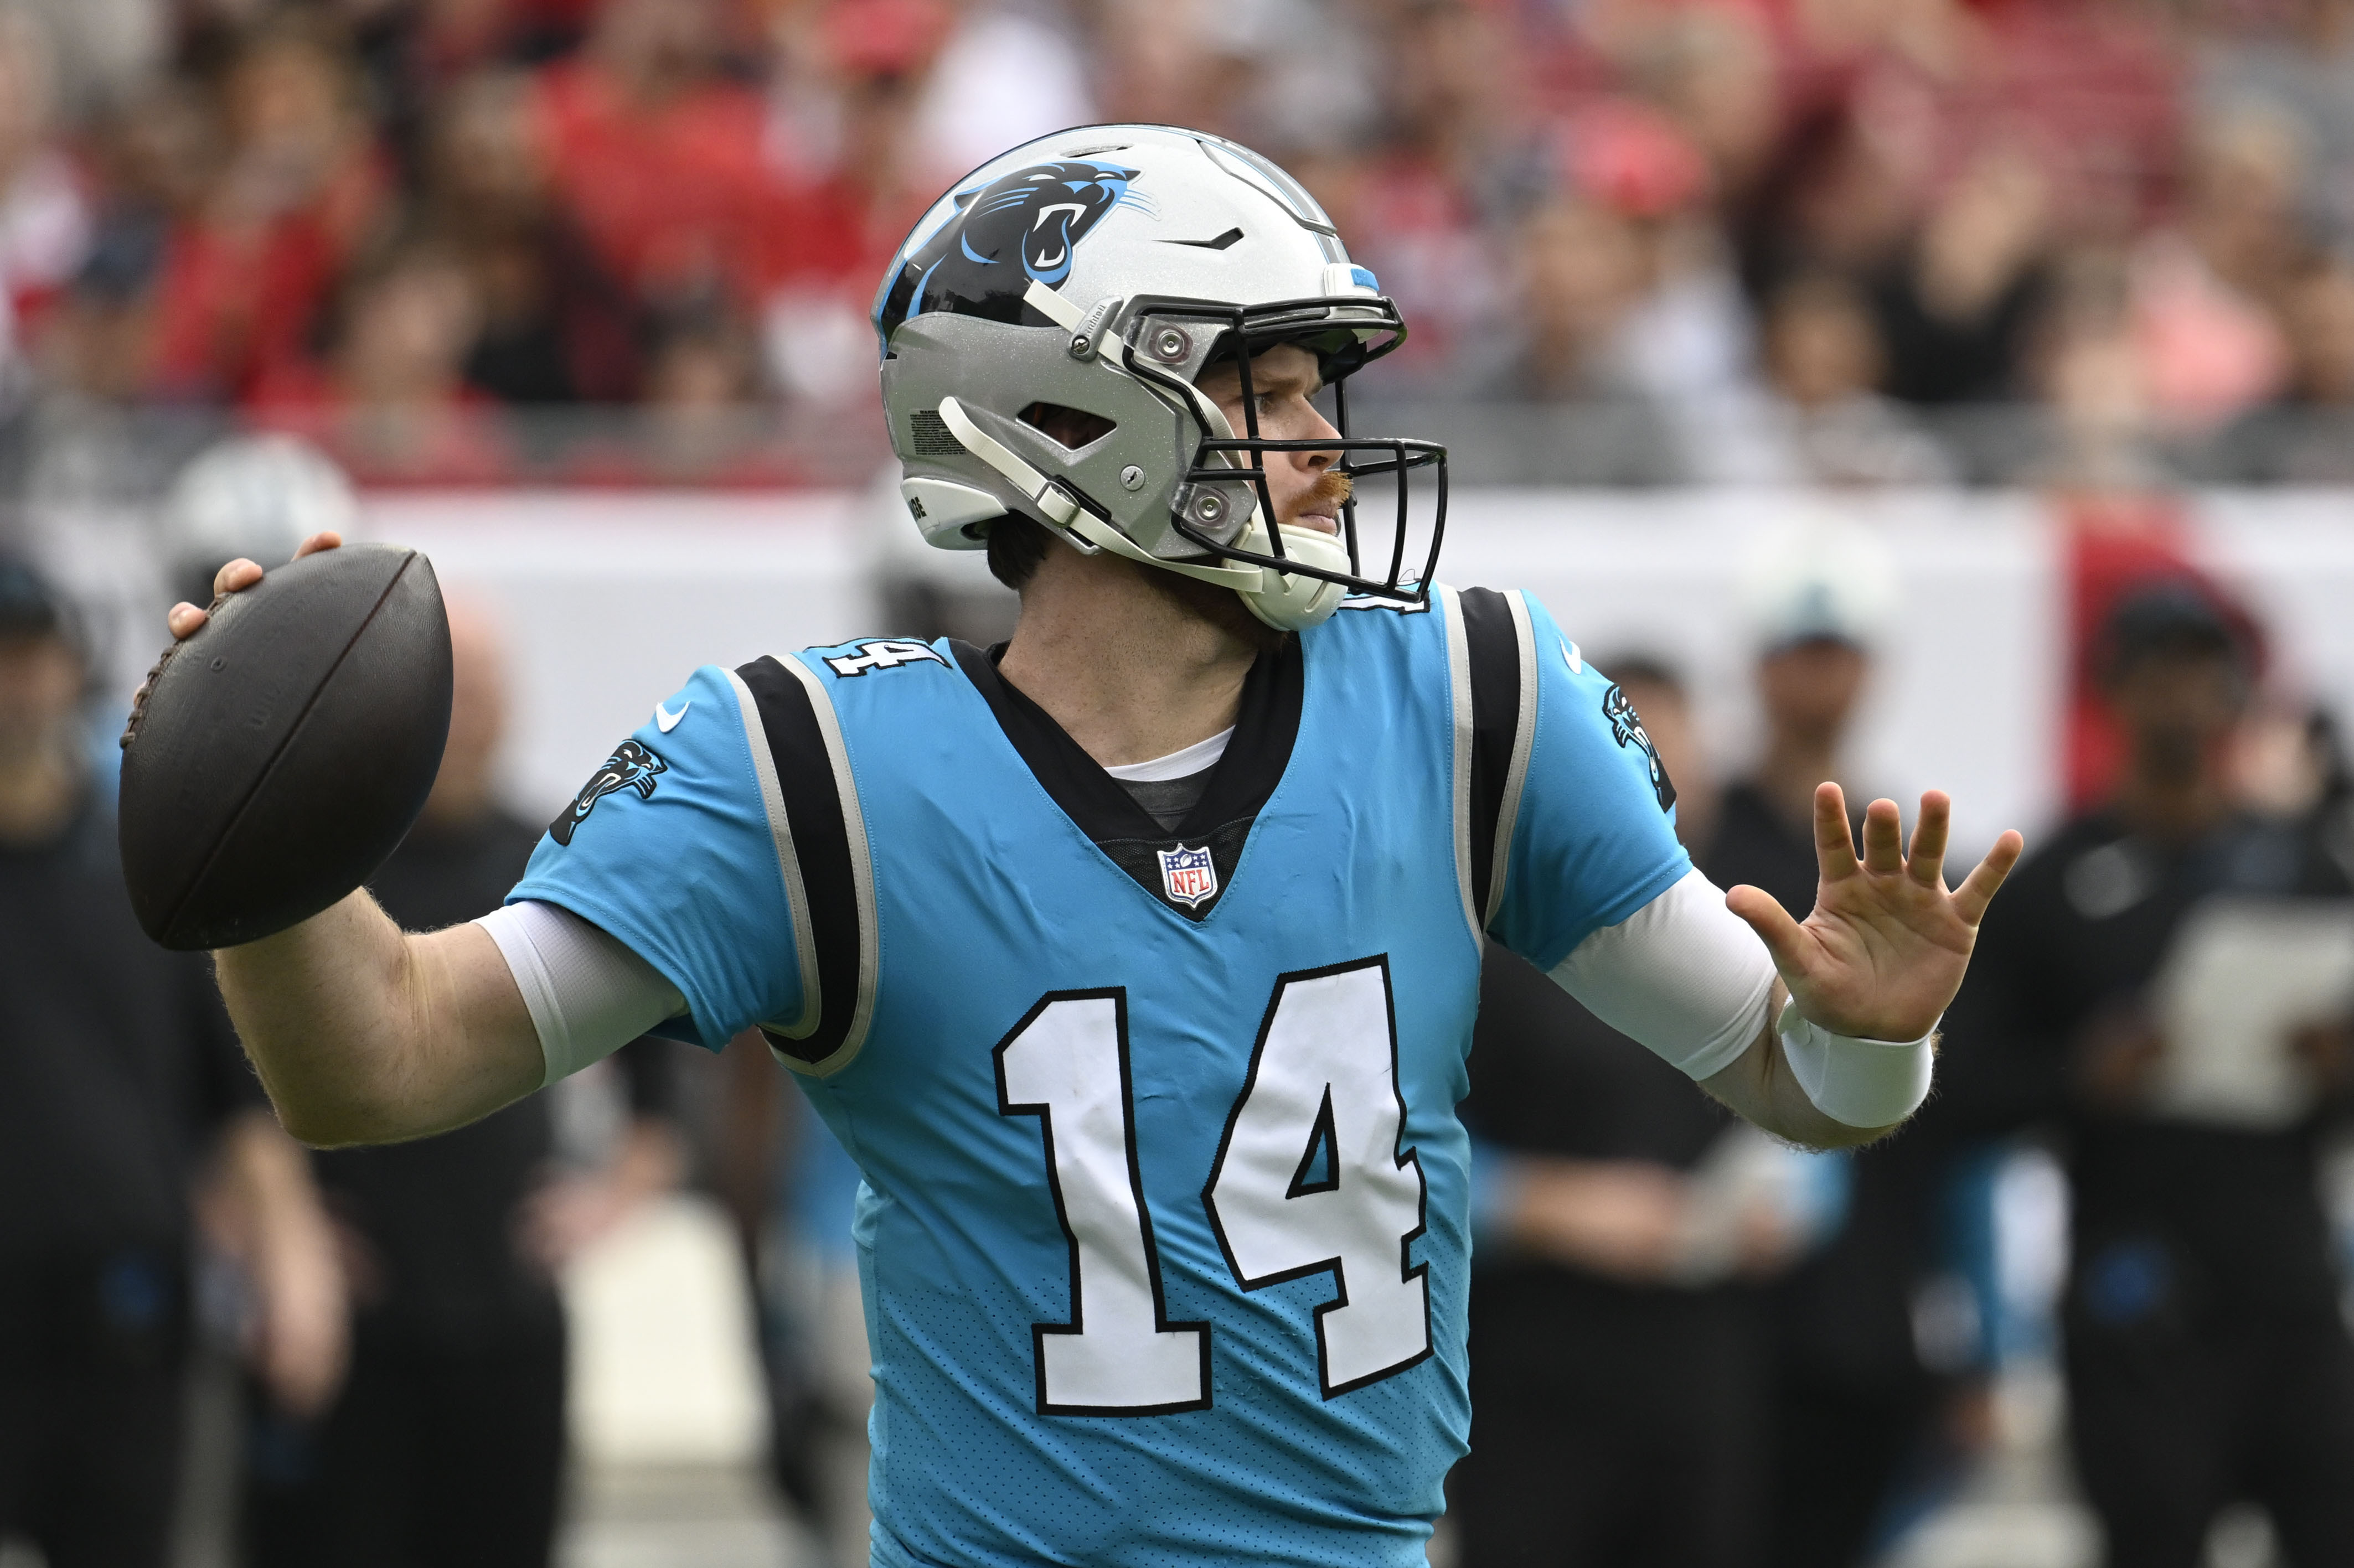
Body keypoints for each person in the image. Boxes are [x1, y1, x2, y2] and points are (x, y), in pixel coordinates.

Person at [162, 125, 2021, 1567]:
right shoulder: (811, 764)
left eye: (1323, 393)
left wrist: (1872, 1027)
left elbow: (1802, 1086)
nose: (1322, 443)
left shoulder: (1475, 695)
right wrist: (271, 851)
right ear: (1070, 415)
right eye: (1269, 386)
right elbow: (381, 1059)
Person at [241, 601, 682, 1568]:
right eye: (454, 693)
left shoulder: (554, 860)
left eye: (487, 692)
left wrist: (609, 1200)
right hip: (356, 1323)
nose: (471, 715)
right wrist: (289, 1237)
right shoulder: (339, 872)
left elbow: (662, 1081)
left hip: (507, 1321)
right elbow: (233, 1077)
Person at [1944, 585, 2354, 1568]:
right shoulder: (2052, 880)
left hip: (2288, 1282)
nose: (2184, 697)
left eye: (2205, 671)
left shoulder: (2303, 868)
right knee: (2154, 1538)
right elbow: (1961, 1089)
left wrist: (2335, 1067)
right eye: (2157, 670)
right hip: (2138, 1292)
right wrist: (2081, 1073)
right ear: (2112, 691)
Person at [0, 554, 340, 1568]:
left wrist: (294, 1259)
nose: (15, 682)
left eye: (30, 655)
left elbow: (236, 1094)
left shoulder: (140, 859)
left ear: (69, 666)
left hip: (126, 1314)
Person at [1452, 660, 1828, 1568]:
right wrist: (1549, 1205)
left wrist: (1794, 1200)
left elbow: (1823, 1114)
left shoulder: (1746, 935)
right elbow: (1375, 1158)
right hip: (1534, 1365)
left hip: (1704, 1361)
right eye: (1629, 759)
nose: (1654, 786)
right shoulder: (1483, 940)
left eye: (1672, 758)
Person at [1700, 556, 1966, 1568]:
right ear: (1760, 666)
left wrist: (1972, 1318)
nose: (1823, 678)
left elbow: (1953, 1118)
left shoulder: (1909, 862)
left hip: (1865, 1293)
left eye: (1842, 653)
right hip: (1720, 1296)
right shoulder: (1697, 838)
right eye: (1801, 652)